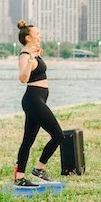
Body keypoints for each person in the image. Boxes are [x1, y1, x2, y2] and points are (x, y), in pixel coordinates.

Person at [15, 20, 64, 186]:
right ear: (28, 38)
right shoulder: (24, 55)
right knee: (58, 135)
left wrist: (35, 56)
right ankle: (39, 169)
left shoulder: (33, 53)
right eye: (36, 34)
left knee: (28, 141)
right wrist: (30, 60)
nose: (39, 36)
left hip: (38, 99)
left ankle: (20, 176)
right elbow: (23, 78)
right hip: (33, 100)